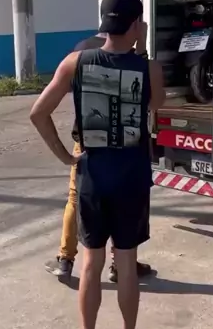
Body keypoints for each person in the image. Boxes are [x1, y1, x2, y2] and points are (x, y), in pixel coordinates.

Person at [30, 0, 165, 329]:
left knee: (91, 262)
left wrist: (66, 157)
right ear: (136, 25)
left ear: (104, 23)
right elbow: (155, 105)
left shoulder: (75, 62)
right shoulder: (150, 69)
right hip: (132, 177)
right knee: (126, 263)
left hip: (92, 174)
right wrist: (141, 51)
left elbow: (38, 113)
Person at [44, 29, 153, 285]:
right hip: (125, 142)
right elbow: (147, 95)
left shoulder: (82, 49)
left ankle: (65, 259)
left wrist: (64, 155)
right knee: (123, 200)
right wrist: (142, 44)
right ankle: (121, 262)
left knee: (76, 198)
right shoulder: (129, 52)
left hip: (87, 140)